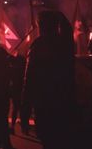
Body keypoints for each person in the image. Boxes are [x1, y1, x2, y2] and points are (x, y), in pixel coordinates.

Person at [23, 10, 76, 149]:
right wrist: (58, 13)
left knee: (49, 142)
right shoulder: (65, 43)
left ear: (40, 25)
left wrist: (25, 112)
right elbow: (68, 30)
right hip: (66, 102)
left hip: (45, 106)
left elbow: (29, 81)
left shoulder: (38, 46)